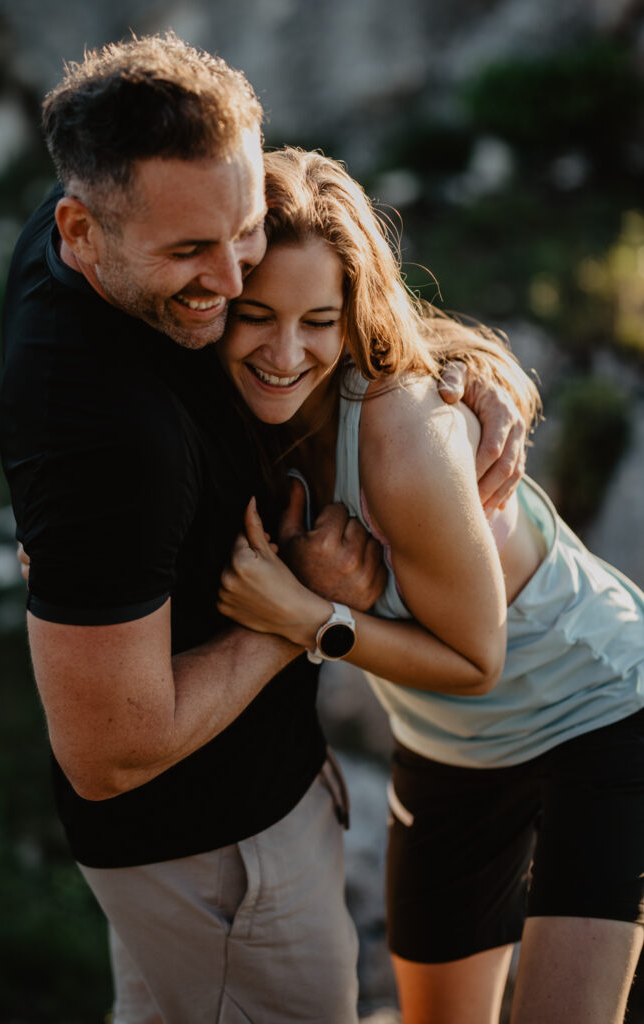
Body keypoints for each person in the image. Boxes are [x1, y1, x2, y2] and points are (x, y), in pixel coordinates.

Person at [0, 33, 527, 1024]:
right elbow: (108, 751)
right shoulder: (107, 436)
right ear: (77, 231)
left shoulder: (117, 208)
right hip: (214, 852)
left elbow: (311, 278)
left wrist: (468, 369)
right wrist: (300, 609)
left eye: (238, 230)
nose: (232, 276)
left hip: (219, 831)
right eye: (189, 253)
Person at [215, 147, 644, 1024]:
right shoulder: (234, 419)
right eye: (255, 315)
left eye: (319, 321)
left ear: (352, 315)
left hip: (601, 711)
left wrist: (316, 620)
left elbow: (476, 659)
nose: (286, 351)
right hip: (451, 749)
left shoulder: (399, 435)